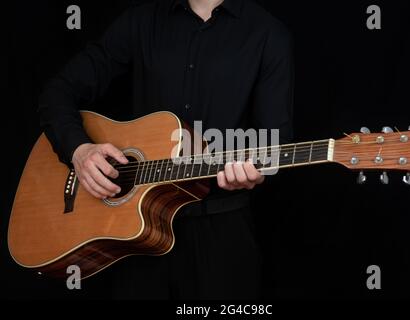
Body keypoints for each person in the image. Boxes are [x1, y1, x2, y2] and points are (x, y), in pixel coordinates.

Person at [39, 0, 294, 299]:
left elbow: (276, 143)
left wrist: (255, 173)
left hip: (223, 238)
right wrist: (78, 150)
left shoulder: (269, 34)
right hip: (133, 236)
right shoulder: (141, 20)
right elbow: (58, 93)